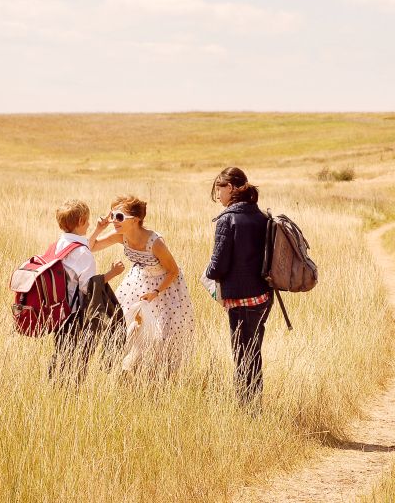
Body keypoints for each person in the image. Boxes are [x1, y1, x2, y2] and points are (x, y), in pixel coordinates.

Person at [91, 195, 194, 378]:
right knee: (128, 327)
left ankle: (158, 379)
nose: (114, 220)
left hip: (164, 287)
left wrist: (155, 292)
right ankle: (131, 373)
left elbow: (173, 271)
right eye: (113, 215)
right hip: (138, 281)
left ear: (136, 219)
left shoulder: (155, 243)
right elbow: (91, 247)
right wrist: (99, 229)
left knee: (161, 335)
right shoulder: (120, 236)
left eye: (120, 217)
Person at [206, 167, 272, 408]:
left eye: (219, 189)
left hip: (241, 299)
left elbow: (218, 267)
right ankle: (253, 406)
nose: (218, 195)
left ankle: (248, 410)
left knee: (242, 356)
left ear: (231, 188)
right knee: (253, 352)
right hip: (263, 297)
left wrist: (208, 272)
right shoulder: (262, 217)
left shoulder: (227, 219)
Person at [49, 199, 125, 384]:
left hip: (59, 310)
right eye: (89, 220)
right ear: (82, 220)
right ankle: (70, 392)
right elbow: (89, 287)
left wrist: (99, 229)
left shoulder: (61, 243)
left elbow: (83, 247)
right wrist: (112, 274)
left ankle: (54, 386)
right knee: (78, 359)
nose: (91, 223)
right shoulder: (84, 255)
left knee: (61, 352)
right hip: (76, 314)